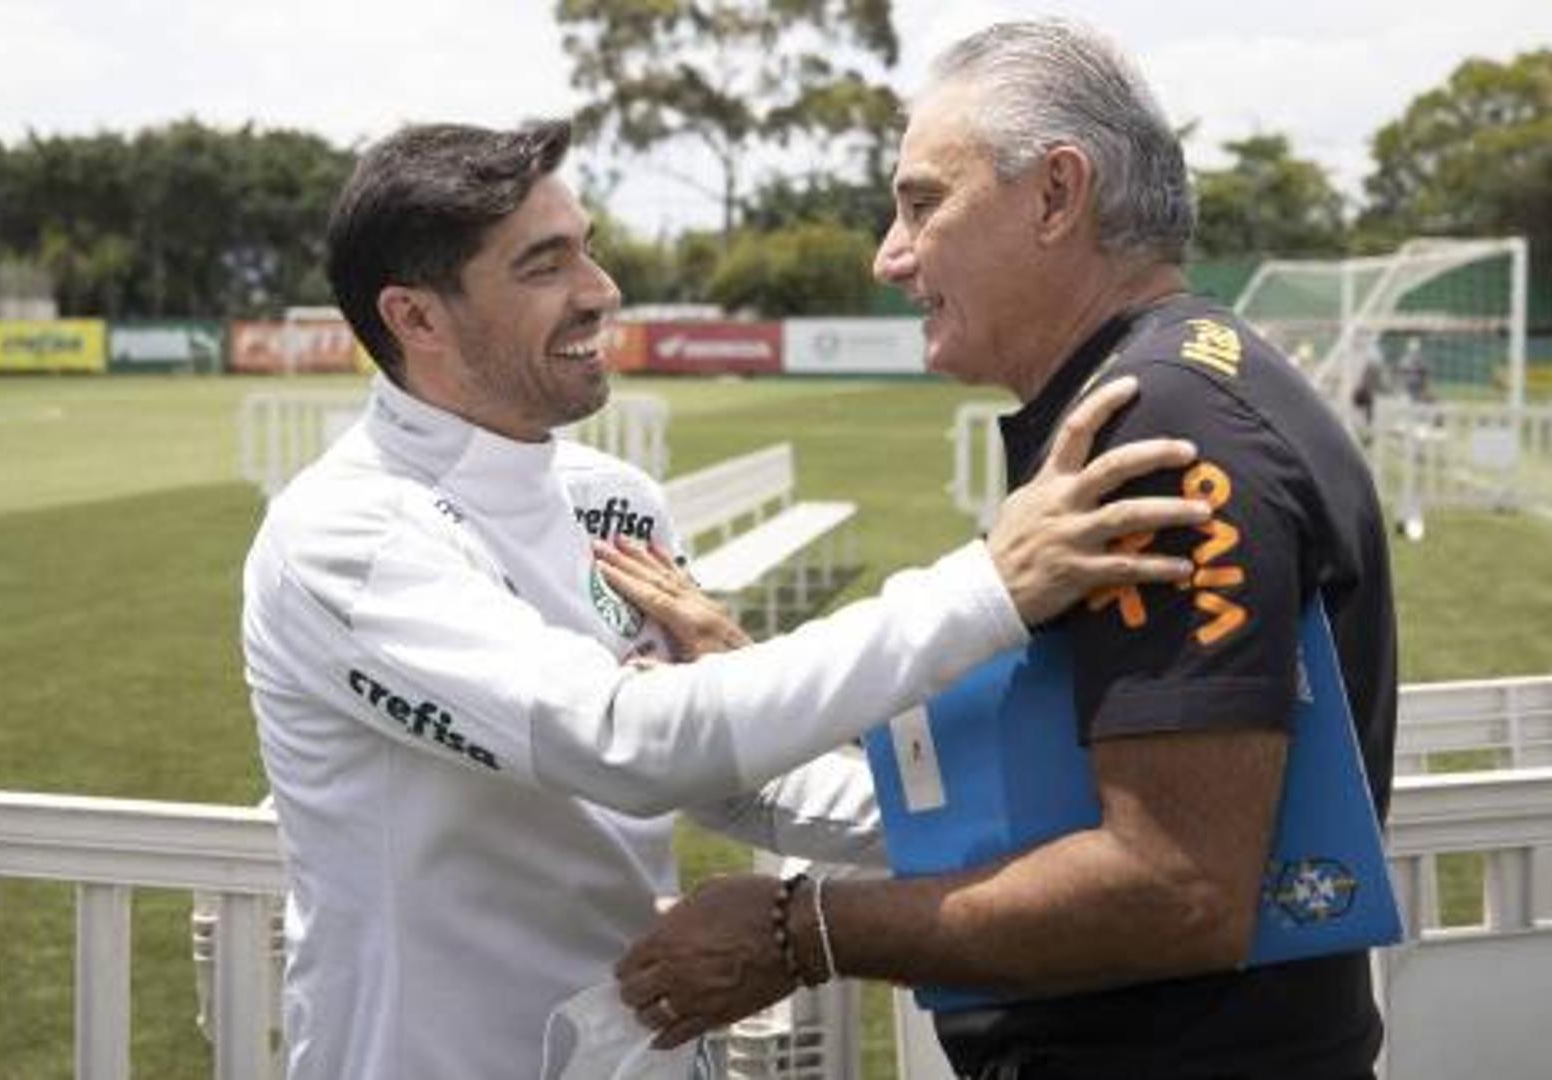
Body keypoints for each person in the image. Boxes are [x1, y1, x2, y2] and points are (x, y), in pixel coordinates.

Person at [238, 119, 1210, 1080]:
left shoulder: (609, 499)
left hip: (640, 1055)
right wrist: (986, 588)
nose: (601, 291)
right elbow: (629, 743)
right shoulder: (348, 539)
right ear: (416, 319)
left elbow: (724, 776)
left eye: (588, 249)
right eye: (544, 266)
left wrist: (1051, 827)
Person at [613, 19, 1398, 1079]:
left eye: (923, 204)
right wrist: (759, 683)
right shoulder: (1167, 385)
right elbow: (1042, 797)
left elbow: (1175, 889)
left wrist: (806, 934)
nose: (890, 258)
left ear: (1056, 195)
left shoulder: (1161, 422)